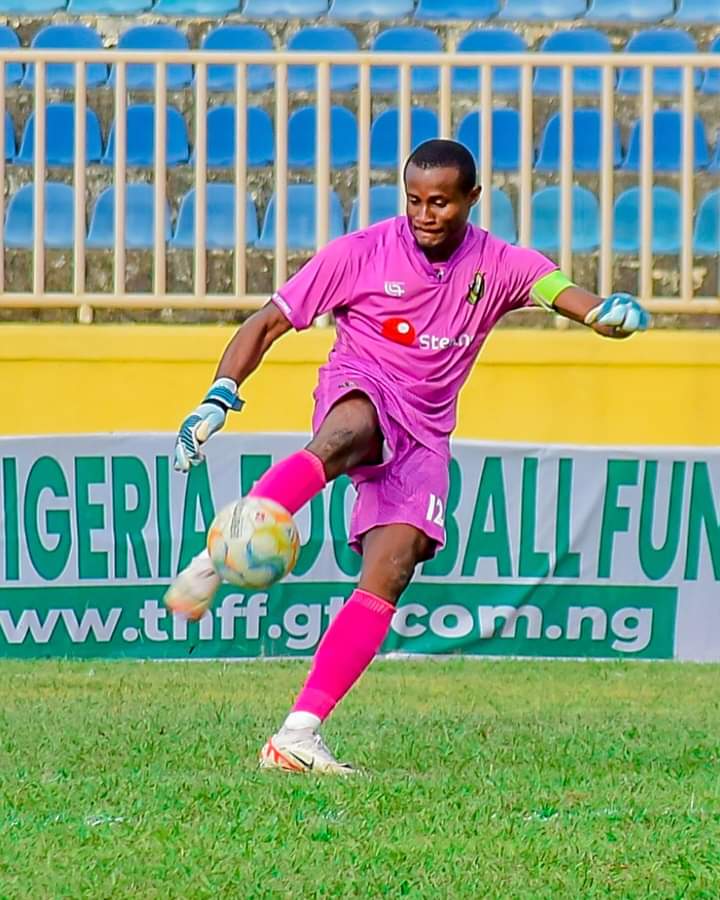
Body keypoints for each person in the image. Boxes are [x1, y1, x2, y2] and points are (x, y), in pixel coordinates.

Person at [165, 139, 650, 774]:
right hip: (363, 385)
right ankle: (216, 555)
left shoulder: (499, 263)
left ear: (472, 199)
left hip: (425, 437)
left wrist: (602, 314)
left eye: (440, 202)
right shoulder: (360, 252)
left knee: (391, 570)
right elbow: (268, 322)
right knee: (349, 431)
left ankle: (297, 735)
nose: (425, 214)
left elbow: (556, 287)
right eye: (415, 200)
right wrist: (218, 397)